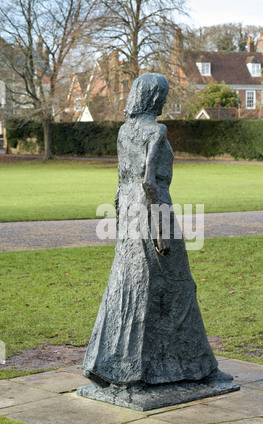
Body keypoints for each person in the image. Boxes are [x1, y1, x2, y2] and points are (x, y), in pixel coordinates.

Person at [82, 72, 218, 387]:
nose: (165, 100)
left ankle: (116, 366)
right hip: (155, 210)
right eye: (163, 95)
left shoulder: (123, 132)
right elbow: (148, 181)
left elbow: (120, 184)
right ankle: (192, 368)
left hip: (129, 213)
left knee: (128, 287)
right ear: (153, 97)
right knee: (179, 287)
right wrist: (159, 228)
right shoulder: (156, 131)